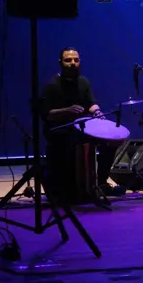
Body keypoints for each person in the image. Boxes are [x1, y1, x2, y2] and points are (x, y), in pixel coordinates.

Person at [39, 48, 121, 205]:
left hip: (82, 128)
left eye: (76, 60)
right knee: (71, 144)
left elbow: (91, 103)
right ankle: (74, 186)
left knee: (110, 142)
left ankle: (100, 183)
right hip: (60, 130)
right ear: (60, 63)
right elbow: (47, 114)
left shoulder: (83, 82)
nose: (72, 63)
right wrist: (67, 110)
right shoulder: (51, 86)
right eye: (68, 60)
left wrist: (97, 112)